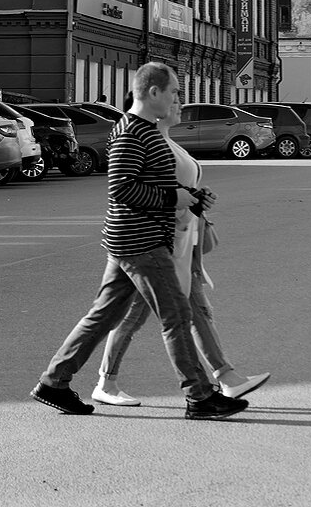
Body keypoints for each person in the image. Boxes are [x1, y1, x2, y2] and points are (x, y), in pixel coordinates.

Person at [31, 61, 249, 420]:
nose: (178, 98)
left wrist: (190, 196)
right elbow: (122, 188)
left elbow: (152, 182)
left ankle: (54, 382)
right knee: (177, 315)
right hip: (140, 241)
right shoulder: (132, 132)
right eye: (174, 92)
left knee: (102, 317)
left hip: (132, 240)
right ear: (153, 92)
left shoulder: (146, 131)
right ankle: (200, 396)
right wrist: (172, 199)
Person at [92, 92, 270, 407]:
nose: (179, 105)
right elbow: (136, 191)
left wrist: (200, 199)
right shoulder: (147, 142)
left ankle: (226, 377)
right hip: (157, 243)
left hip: (180, 241)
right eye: (172, 99)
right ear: (153, 106)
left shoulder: (166, 142)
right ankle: (106, 382)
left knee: (194, 311)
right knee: (138, 316)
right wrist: (183, 202)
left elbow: (178, 188)